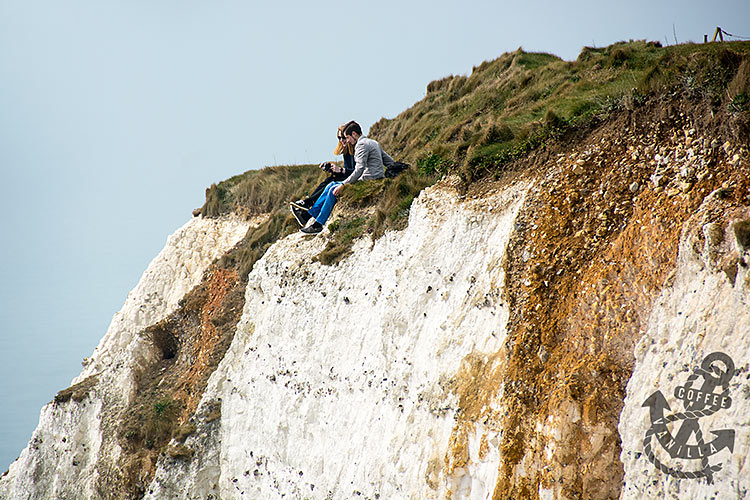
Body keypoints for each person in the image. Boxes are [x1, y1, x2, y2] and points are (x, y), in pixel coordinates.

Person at [296, 121, 395, 235]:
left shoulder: (361, 145)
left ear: (354, 134)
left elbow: (359, 170)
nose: (347, 141)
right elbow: (389, 161)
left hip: (369, 179)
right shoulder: (374, 142)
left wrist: (343, 185)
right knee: (330, 185)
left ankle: (318, 224)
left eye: (347, 137)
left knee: (333, 190)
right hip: (376, 177)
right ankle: (311, 216)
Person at [290, 122, 356, 217]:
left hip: (356, 179)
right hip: (350, 177)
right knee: (329, 179)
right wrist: (333, 169)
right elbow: (348, 171)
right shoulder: (346, 152)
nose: (342, 140)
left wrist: (341, 170)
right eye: (339, 138)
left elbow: (357, 171)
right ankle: (308, 206)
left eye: (343, 137)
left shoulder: (357, 149)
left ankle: (308, 206)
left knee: (330, 185)